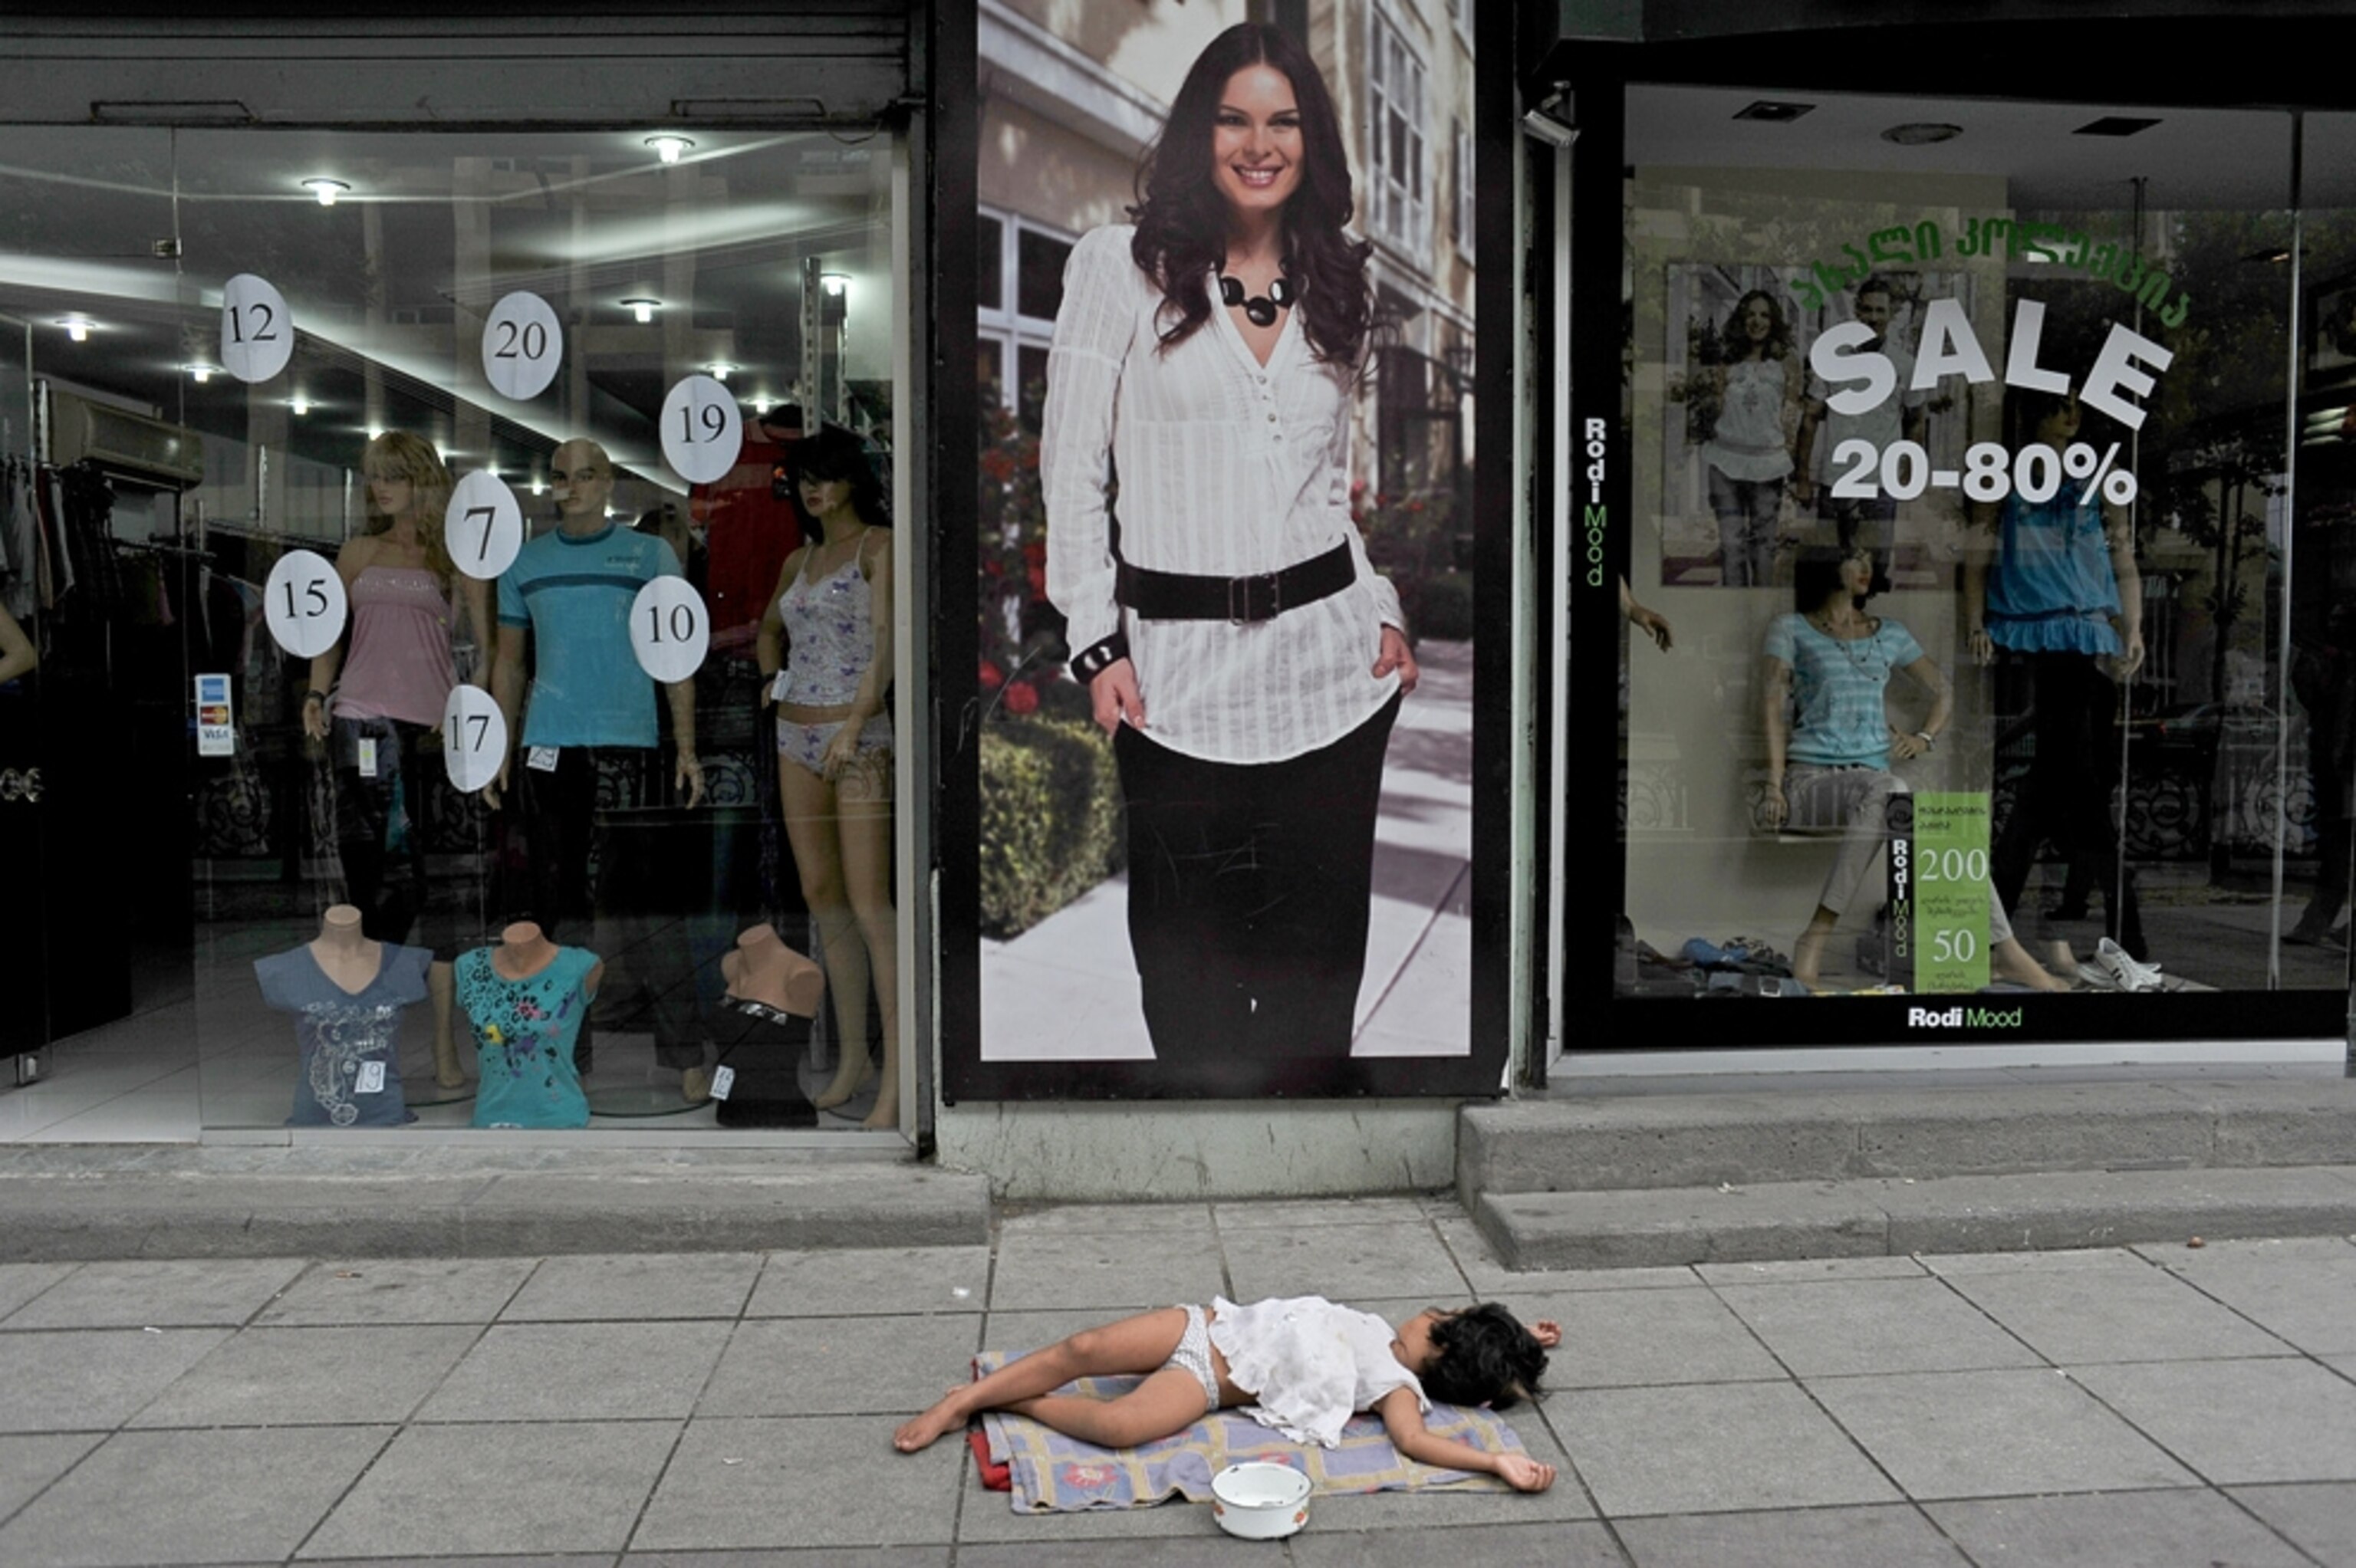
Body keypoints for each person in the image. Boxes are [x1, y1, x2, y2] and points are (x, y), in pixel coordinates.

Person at [1042, 21, 1416, 1090]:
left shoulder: (1337, 282)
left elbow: (1330, 489)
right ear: (1197, 134)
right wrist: (1095, 643)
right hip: (1176, 692)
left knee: (1314, 1010)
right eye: (1234, 120)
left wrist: (1384, 606)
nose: (1260, 145)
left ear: (1312, 141)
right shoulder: (1117, 268)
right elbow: (1072, 472)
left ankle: (1305, 1180)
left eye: (1284, 122)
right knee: (1190, 1002)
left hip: (1331, 687)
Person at [489, 439, 709, 1098]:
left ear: (610, 481)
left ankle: (684, 1054)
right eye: (562, 476)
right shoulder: (525, 562)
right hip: (550, 747)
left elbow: (676, 659)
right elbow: (510, 662)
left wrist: (686, 747)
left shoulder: (650, 555)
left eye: (587, 475)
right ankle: (567, 1058)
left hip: (630, 743)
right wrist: (500, 746)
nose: (574, 486)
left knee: (650, 904)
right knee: (557, 906)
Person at [1764, 547, 2069, 991]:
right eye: (1854, 559)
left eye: (1869, 560)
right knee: (1893, 791)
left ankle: (2005, 952)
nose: (1866, 568)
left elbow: (1943, 688)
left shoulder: (1889, 634)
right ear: (1829, 566)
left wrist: (1924, 737)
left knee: (1935, 820)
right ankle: (1817, 935)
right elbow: (1771, 707)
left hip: (1875, 785)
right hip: (1810, 783)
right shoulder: (1791, 629)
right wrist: (1775, 786)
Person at [890, 1297, 1560, 1491]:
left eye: (1438, 1321)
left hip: (1206, 1381)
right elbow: (1480, 1332)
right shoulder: (1398, 1331)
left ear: (1444, 1352)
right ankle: (959, 1403)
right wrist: (1527, 1337)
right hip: (1206, 1325)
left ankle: (998, 1400)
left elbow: (1415, 1442)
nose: (1428, 1311)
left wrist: (1494, 1460)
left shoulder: (1397, 1387)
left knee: (1122, 1426)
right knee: (1085, 1348)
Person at [301, 432, 490, 1090]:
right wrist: (316, 693)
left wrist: (468, 711)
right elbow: (327, 633)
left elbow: (486, 650)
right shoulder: (357, 552)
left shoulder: (455, 558)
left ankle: (439, 1046)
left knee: (427, 887)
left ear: (422, 481)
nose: (381, 488)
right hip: (361, 720)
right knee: (369, 884)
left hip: (431, 731)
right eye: (375, 476)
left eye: (394, 476)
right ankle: (369, 1042)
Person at [1963, 385, 2148, 961]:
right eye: (2060, 406)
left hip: (2084, 635)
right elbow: (1977, 557)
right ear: (2036, 412)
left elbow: (2122, 558)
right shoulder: (2006, 474)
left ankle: (1989, 928)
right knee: (2070, 790)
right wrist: (1975, 620)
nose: (2072, 415)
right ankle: (2128, 935)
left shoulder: (2099, 477)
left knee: (2049, 789)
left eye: (2076, 406)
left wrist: (2133, 627)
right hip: (2037, 628)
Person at [755, 425, 898, 1129]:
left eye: (826, 476)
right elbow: (767, 630)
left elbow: (887, 647)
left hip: (858, 733)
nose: (813, 490)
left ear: (851, 479)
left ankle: (897, 1072)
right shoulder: (799, 559)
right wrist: (771, 683)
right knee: (822, 895)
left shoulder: (879, 547)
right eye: (803, 479)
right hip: (795, 732)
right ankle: (853, 1061)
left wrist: (856, 721)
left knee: (871, 904)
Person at [1792, 274, 1927, 585]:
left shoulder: (1904, 364)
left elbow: (1917, 418)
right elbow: (1810, 418)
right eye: (1867, 309)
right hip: (1836, 480)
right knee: (1829, 571)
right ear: (1857, 311)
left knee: (1874, 573)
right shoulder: (1834, 360)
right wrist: (1803, 479)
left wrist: (1907, 468)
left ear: (1891, 314)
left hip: (1880, 483)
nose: (1873, 317)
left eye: (1880, 310)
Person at [1700, 288, 1802, 587]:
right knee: (1731, 546)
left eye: (1764, 315)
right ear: (1741, 320)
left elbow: (1792, 416)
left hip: (1767, 465)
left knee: (1764, 547)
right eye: (1751, 315)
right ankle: (1734, 607)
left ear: (1774, 321)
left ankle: (1760, 608)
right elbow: (1716, 408)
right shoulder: (1727, 361)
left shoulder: (1787, 362)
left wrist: (1791, 466)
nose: (1757, 321)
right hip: (1725, 463)